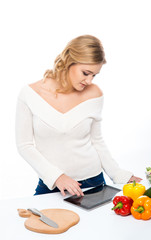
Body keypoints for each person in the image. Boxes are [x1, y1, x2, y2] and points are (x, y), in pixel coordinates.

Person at [15, 35, 142, 197]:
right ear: (69, 61)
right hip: (51, 184)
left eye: (94, 75)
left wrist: (118, 174)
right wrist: (57, 177)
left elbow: (97, 141)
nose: (89, 81)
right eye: (86, 73)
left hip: (93, 182)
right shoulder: (29, 94)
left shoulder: (94, 94)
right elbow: (24, 145)